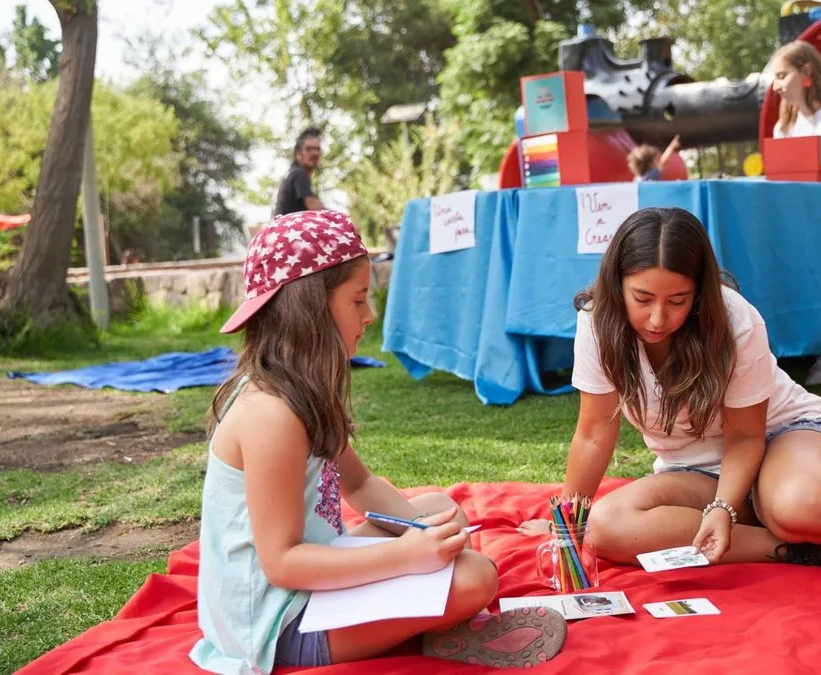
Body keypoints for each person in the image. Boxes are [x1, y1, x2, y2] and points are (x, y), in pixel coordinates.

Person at [191, 210, 566, 673]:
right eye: (359, 300)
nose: (369, 317)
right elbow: (283, 564)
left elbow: (362, 485)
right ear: (310, 308)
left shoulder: (303, 391)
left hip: (311, 582)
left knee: (441, 511)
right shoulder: (270, 415)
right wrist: (406, 557)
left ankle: (429, 623)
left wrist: (427, 535)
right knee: (474, 579)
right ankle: (433, 631)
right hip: (276, 624)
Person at [525, 207, 821, 574]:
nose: (658, 319)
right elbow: (593, 433)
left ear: (700, 293)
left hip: (782, 434)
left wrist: (724, 506)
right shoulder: (597, 322)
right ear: (616, 283)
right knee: (605, 528)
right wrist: (566, 524)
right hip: (693, 467)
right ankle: (798, 549)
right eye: (642, 299)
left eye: (677, 301)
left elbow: (746, 437)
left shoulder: (734, 319)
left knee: (803, 507)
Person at [273, 127, 326, 217]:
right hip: (288, 230)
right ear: (298, 154)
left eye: (317, 149)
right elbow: (312, 204)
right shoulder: (298, 173)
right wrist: (343, 221)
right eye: (309, 149)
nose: (315, 153)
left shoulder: (291, 173)